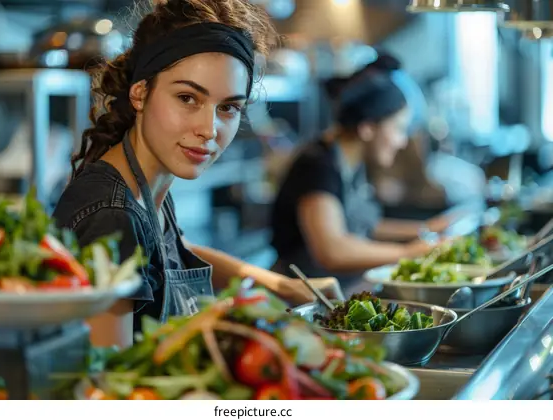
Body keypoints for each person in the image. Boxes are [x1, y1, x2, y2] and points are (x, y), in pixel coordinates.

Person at [53, 0, 342, 348]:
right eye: (188, 97)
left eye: (228, 107)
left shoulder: (146, 184)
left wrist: (283, 286)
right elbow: (108, 388)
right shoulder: (111, 216)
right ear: (141, 92)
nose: (209, 129)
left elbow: (172, 250)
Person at [269, 54, 455, 296]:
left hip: (339, 290)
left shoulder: (350, 161)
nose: (401, 142)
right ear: (367, 128)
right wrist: (410, 252)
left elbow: (363, 225)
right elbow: (332, 250)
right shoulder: (317, 165)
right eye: (398, 128)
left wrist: (426, 228)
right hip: (300, 301)